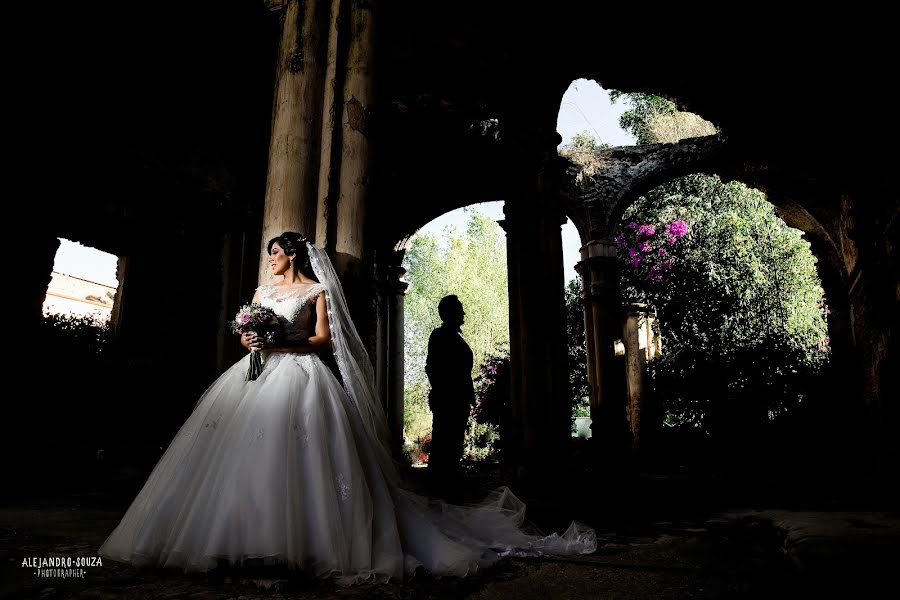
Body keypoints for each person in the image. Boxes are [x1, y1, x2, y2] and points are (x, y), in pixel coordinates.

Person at [98, 232, 596, 585]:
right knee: (235, 453)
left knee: (301, 454)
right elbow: (249, 332)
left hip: (299, 374)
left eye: (275, 253)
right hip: (256, 374)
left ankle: (304, 543)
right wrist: (252, 337)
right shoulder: (260, 292)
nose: (270, 260)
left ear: (291, 253)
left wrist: (281, 342)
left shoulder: (315, 291)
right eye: (268, 254)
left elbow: (320, 341)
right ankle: (230, 539)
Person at [426, 295, 476, 500]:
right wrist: (445, 391)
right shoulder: (439, 336)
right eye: (460, 309)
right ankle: (441, 493)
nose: (463, 313)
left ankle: (448, 490)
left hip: (458, 400)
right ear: (450, 313)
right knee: (444, 446)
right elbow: (432, 367)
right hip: (448, 401)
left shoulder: (455, 338)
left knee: (453, 446)